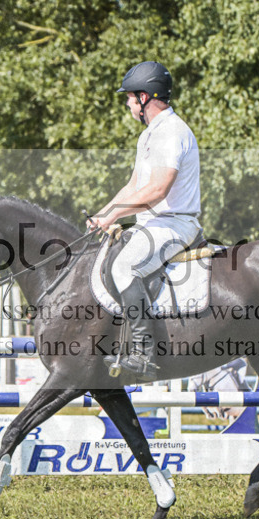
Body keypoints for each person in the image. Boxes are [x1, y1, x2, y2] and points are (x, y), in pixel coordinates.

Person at [87, 61, 202, 380]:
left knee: (125, 266)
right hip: (154, 224)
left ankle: (143, 352)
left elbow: (157, 189)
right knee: (112, 259)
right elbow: (134, 185)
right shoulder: (150, 136)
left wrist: (116, 214)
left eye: (128, 97)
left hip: (175, 223)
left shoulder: (172, 131)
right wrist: (103, 213)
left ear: (144, 97)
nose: (126, 103)